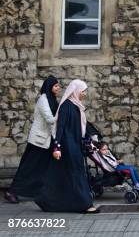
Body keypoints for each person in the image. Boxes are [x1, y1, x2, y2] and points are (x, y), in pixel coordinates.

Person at [35, 79, 99, 214]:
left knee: (61, 175)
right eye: (83, 91)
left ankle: (46, 200)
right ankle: (85, 204)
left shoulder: (77, 106)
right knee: (76, 173)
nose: (85, 94)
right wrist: (57, 147)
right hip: (67, 145)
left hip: (75, 144)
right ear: (75, 91)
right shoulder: (66, 106)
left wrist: (90, 138)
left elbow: (81, 127)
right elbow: (60, 127)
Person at [4, 76, 61, 204]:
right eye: (56, 85)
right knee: (29, 167)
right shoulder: (43, 99)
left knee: (44, 167)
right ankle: (12, 191)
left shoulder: (53, 100)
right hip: (38, 141)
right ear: (49, 87)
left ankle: (41, 191)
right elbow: (49, 118)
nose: (58, 88)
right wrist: (63, 115)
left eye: (58, 86)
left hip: (48, 140)